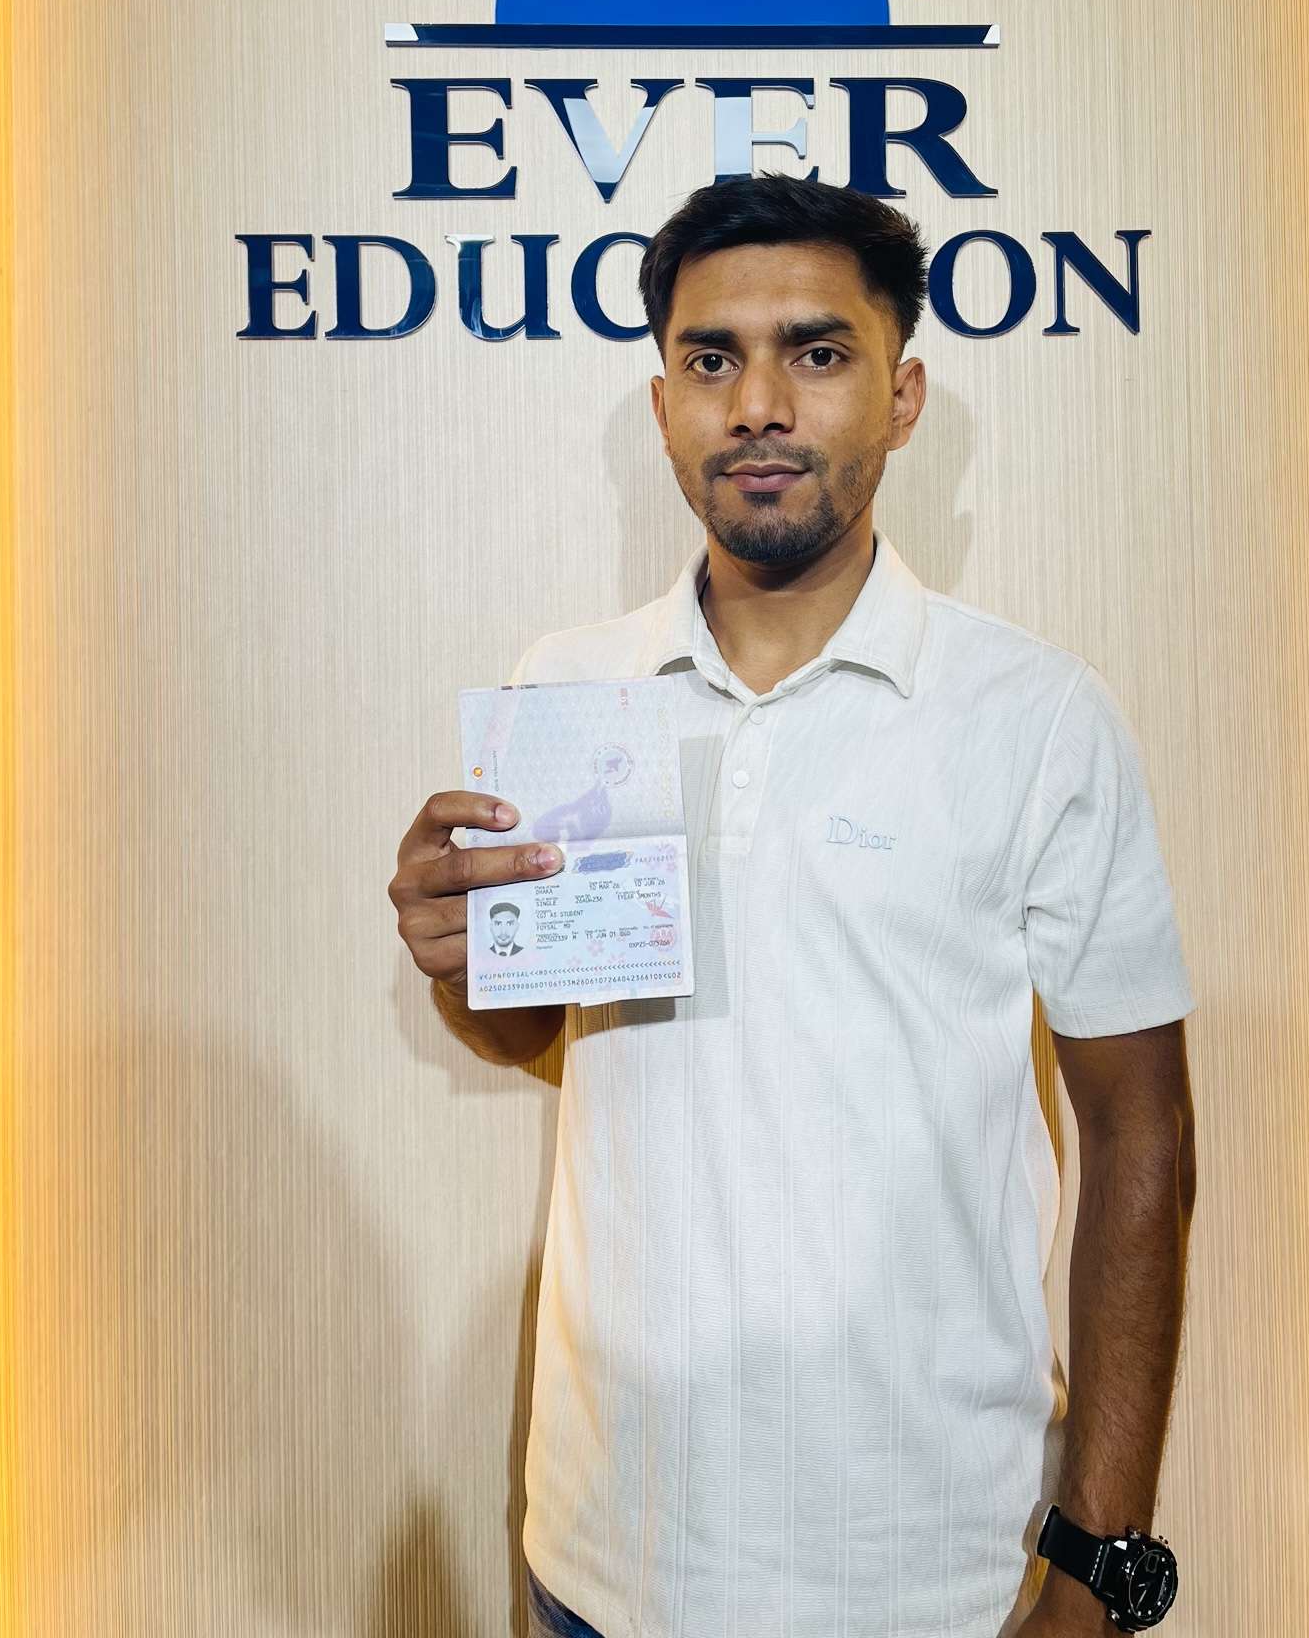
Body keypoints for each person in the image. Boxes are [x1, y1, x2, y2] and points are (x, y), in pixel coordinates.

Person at [388, 172, 1198, 1638]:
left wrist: (1100, 1561)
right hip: (603, 1558)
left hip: (927, 1570)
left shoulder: (1036, 718)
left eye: (817, 354)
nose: (758, 404)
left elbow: (1142, 1135)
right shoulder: (571, 688)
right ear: (663, 408)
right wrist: (460, 959)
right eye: (712, 359)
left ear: (903, 396)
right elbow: (534, 1034)